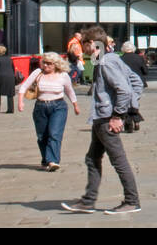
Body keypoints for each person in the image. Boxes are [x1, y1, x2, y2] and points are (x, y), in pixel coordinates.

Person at [61, 25, 143, 215]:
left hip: (107, 119)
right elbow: (136, 82)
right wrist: (132, 105)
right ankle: (88, 202)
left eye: (84, 46)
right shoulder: (107, 59)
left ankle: (132, 201)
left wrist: (118, 115)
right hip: (101, 117)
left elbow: (124, 89)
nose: (82, 50)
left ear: (92, 43)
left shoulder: (106, 62)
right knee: (92, 158)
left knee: (118, 161)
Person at [18, 52, 81, 170]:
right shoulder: (38, 73)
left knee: (54, 133)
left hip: (58, 107)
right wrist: (20, 102)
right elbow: (24, 87)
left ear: (56, 64)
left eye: (49, 64)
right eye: (44, 63)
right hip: (40, 107)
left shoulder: (63, 75)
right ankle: (46, 159)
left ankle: (53, 161)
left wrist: (75, 105)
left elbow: (69, 91)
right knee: (42, 136)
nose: (46, 66)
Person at [120, 41, 148, 132]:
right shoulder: (139, 58)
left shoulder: (120, 59)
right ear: (133, 49)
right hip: (138, 84)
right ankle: (136, 122)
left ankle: (130, 122)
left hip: (125, 84)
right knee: (134, 102)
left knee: (128, 103)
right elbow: (145, 71)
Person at [0, 44, 16, 113]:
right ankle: (10, 109)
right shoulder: (9, 58)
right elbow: (13, 68)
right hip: (11, 77)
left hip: (1, 76)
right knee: (10, 94)